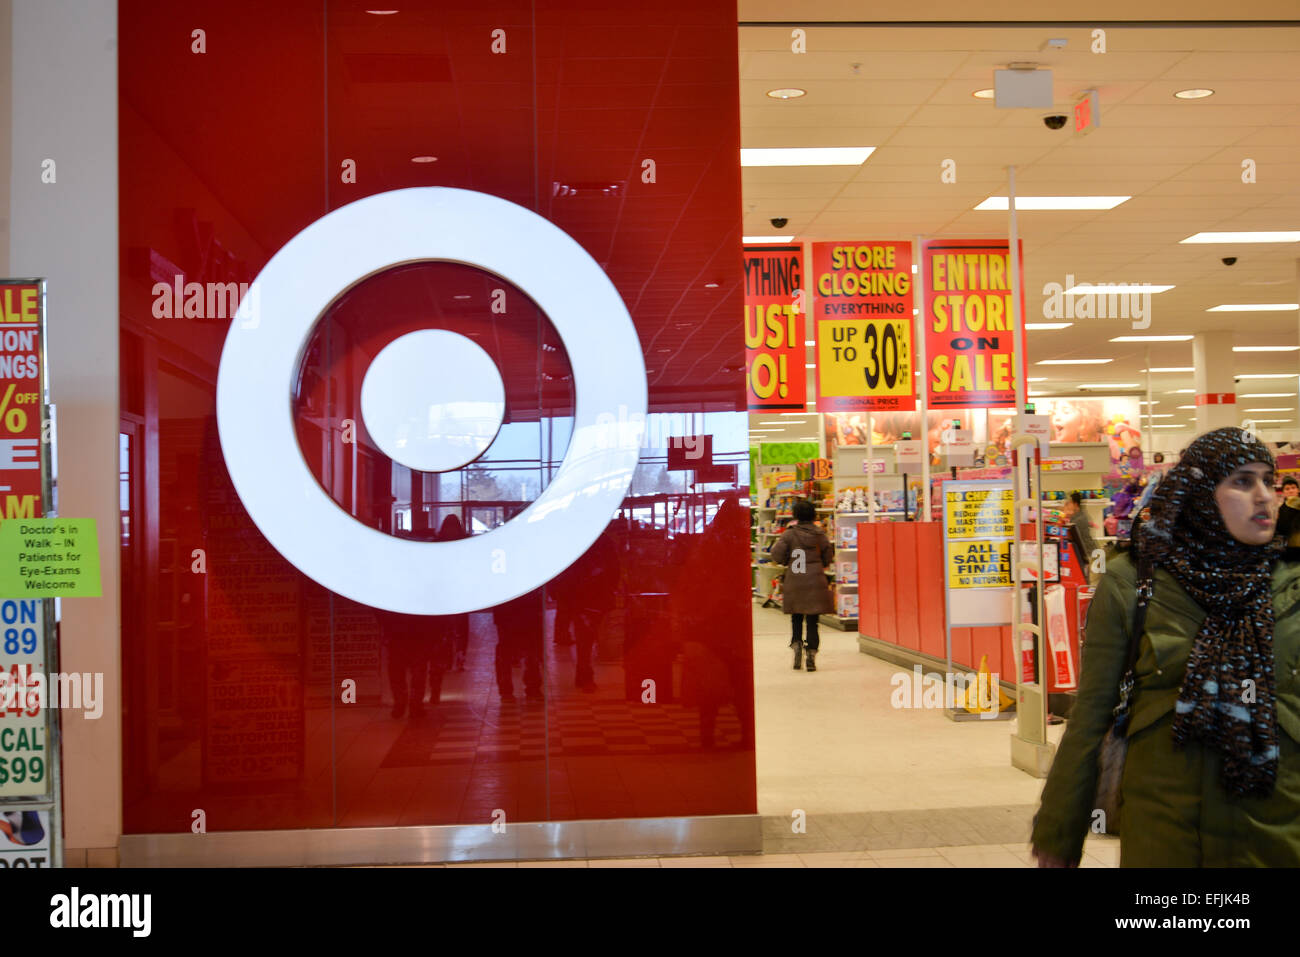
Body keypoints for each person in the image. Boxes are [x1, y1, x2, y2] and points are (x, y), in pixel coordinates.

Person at [1031, 427, 1300, 867]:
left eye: (1268, 481)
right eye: (1242, 481)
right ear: (1198, 493)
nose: (1265, 496)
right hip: (1166, 839)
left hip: (1275, 841)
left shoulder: (1291, 588)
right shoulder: (1134, 583)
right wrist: (1059, 837)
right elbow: (1090, 719)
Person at [769, 499, 834, 672]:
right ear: (813, 514)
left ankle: (796, 644)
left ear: (795, 515)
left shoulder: (789, 534)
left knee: (796, 617)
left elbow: (776, 554)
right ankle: (811, 653)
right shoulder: (820, 534)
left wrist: (786, 561)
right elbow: (828, 555)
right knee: (813, 620)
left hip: (795, 579)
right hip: (815, 580)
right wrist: (822, 563)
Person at [1062, 491, 1098, 572]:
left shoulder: (1078, 519)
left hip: (1090, 556)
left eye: (1069, 503)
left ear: (1075, 504)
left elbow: (1068, 534)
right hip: (1089, 555)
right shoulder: (1078, 516)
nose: (1066, 505)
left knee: (1092, 582)